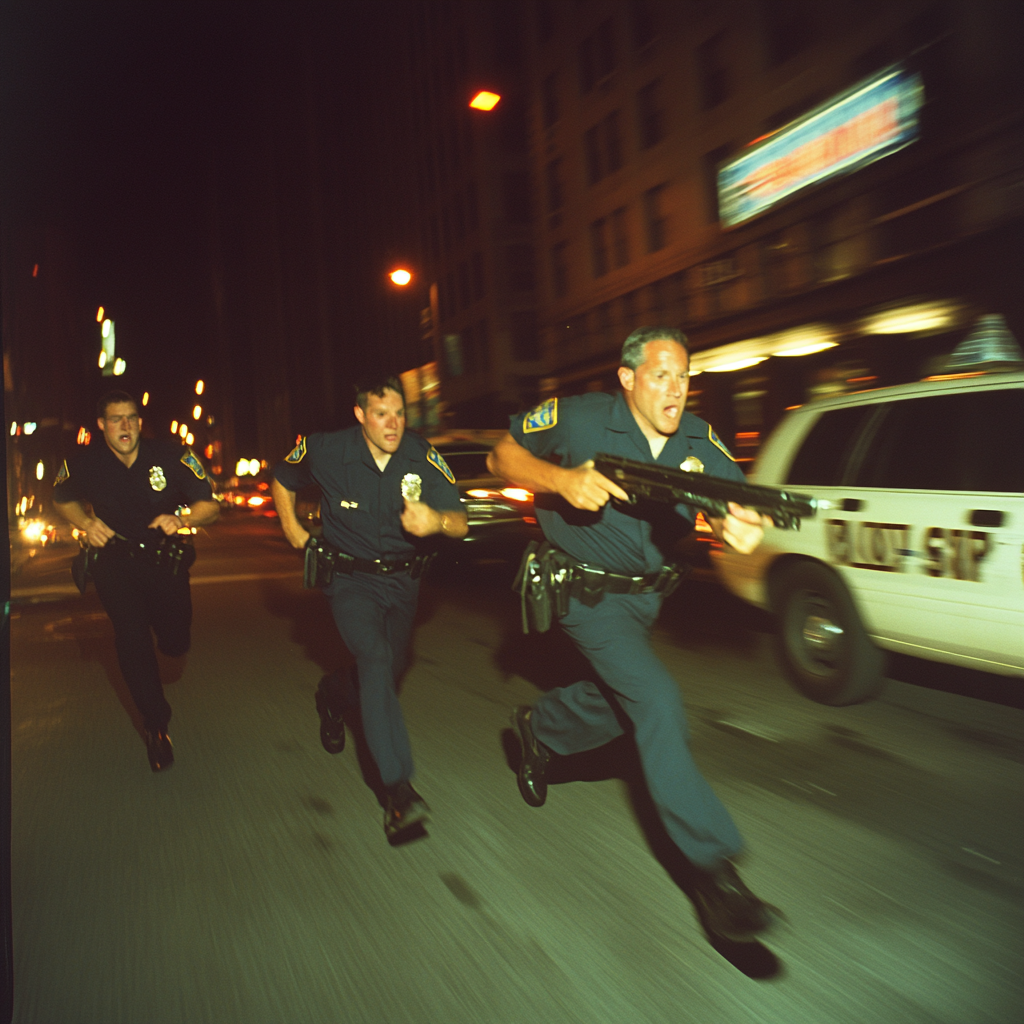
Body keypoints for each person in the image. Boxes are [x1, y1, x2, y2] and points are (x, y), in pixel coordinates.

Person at [487, 327, 780, 943]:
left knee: (622, 706)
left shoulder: (697, 439)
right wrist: (561, 480)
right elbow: (501, 455)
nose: (676, 390)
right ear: (628, 378)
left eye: (684, 377)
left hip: (645, 600)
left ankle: (539, 730)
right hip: (582, 593)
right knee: (657, 702)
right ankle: (715, 877)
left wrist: (740, 530)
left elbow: (732, 504)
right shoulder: (580, 418)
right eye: (662, 375)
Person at [271, 375, 468, 843]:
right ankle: (398, 793)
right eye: (382, 413)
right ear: (360, 414)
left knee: (385, 670)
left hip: (404, 583)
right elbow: (282, 477)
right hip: (350, 580)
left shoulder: (420, 455)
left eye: (399, 413)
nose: (393, 423)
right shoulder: (325, 449)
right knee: (376, 661)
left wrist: (436, 520)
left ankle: (334, 694)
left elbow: (460, 521)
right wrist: (296, 533)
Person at [53, 389, 219, 771]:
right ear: (102, 425)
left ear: (140, 422)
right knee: (130, 636)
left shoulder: (174, 455)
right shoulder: (84, 464)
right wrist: (86, 523)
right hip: (115, 562)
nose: (124, 426)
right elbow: (61, 498)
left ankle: (173, 644)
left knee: (176, 640)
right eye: (115, 419)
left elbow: (210, 504)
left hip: (165, 561)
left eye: (130, 417)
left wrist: (184, 519)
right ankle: (156, 725)